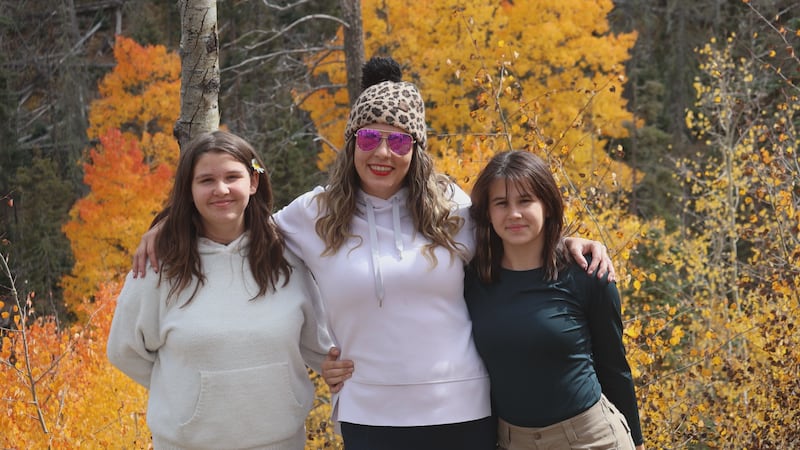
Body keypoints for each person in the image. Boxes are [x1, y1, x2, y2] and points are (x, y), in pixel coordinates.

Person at [132, 57, 614, 450]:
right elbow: (239, 226)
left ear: (416, 149)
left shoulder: (451, 207)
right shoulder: (313, 214)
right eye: (369, 137)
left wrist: (569, 242)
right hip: (368, 413)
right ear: (352, 143)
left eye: (398, 139)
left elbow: (512, 230)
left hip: (464, 409)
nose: (382, 151)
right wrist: (170, 224)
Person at [107, 130, 333, 450]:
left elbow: (318, 342)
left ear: (253, 182)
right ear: (189, 189)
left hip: (281, 442)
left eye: (232, 176)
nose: (221, 189)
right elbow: (124, 350)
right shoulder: (159, 264)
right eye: (206, 180)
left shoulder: (287, 256)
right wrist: (189, 396)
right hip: (187, 444)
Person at [464, 150, 644, 450]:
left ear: (547, 205)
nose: (514, 214)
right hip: (512, 441)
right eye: (501, 203)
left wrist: (637, 443)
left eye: (525, 200)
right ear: (487, 213)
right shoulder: (471, 282)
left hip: (592, 439)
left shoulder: (587, 275)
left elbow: (614, 366)